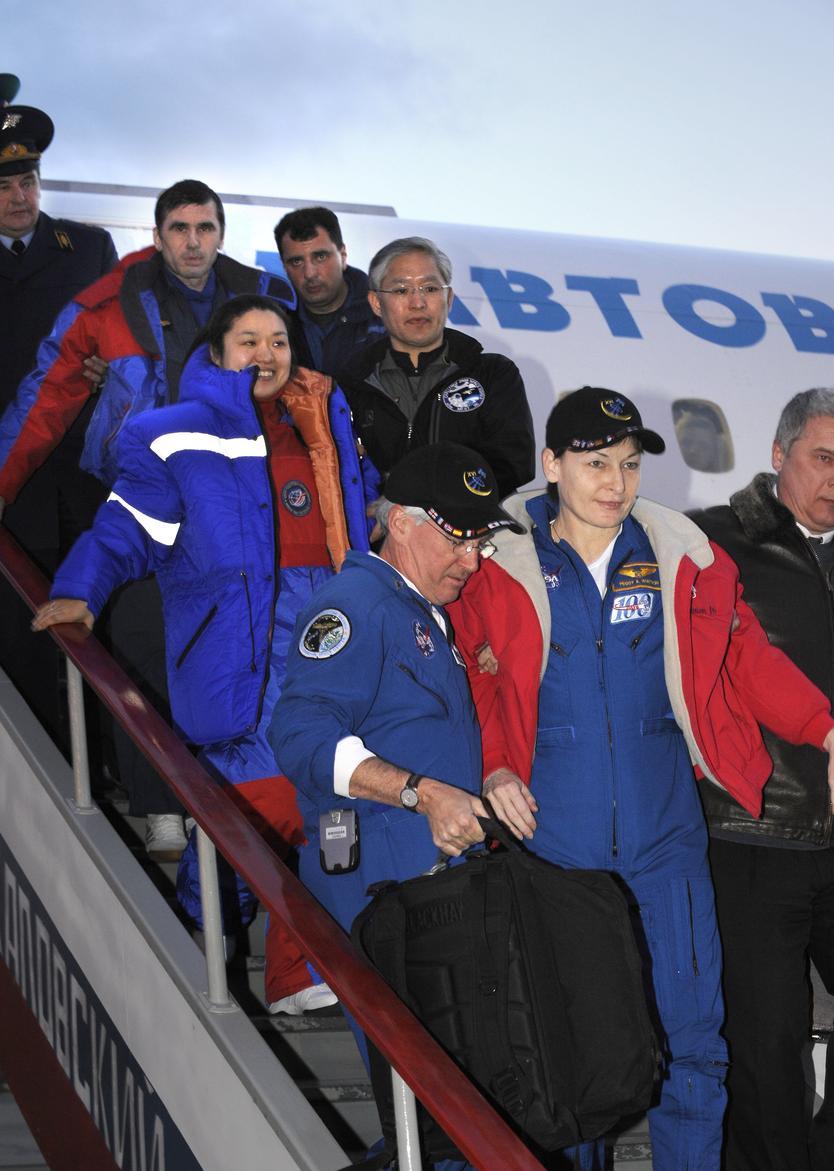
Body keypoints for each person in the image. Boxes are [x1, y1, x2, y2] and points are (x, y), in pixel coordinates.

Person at [445, 387, 834, 1171]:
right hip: (553, 842)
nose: (616, 482)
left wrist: (822, 726)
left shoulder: (681, 555)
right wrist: (496, 765)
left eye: (628, 463)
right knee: (563, 1053)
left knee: (699, 1043)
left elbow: (745, 658)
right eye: (595, 463)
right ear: (551, 466)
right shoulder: (496, 564)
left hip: (667, 835)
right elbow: (476, 685)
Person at [32, 295, 371, 1015]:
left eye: (279, 339)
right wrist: (78, 590)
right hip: (235, 653)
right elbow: (124, 529)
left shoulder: (327, 426)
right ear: (216, 354)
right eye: (248, 340)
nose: (267, 353)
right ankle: (199, 934)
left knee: (328, 808)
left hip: (329, 647)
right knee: (252, 810)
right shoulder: (173, 435)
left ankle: (292, 969)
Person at [267, 442, 540, 1171]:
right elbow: (300, 733)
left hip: (431, 902)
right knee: (479, 1118)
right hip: (387, 903)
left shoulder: (420, 611)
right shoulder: (359, 604)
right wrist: (420, 792)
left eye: (481, 542)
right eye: (457, 537)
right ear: (401, 521)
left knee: (470, 1120)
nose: (471, 558)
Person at [1, 178, 295, 858]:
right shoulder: (109, 305)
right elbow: (46, 395)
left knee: (247, 653)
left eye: (205, 228)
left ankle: (239, 802)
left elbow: (304, 394)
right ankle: (162, 806)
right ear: (156, 235)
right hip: (149, 494)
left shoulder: (264, 297)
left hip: (241, 505)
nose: (192, 242)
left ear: (220, 233)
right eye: (179, 229)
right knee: (138, 650)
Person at [691, 387, 834, 1171]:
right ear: (781, 452)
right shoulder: (716, 540)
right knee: (763, 1054)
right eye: (823, 457)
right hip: (748, 836)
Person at [0, 92, 116, 742]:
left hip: (83, 476)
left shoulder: (88, 249)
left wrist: (114, 371)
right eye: (7, 186)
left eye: (29, 180)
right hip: (14, 486)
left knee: (98, 622)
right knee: (25, 639)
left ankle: (102, 762)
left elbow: (127, 346)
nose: (20, 197)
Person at [340, 236, 535, 498]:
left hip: (475, 531)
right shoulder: (348, 385)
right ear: (376, 303)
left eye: (430, 289)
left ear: (449, 298)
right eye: (401, 290)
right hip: (382, 535)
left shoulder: (493, 375)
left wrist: (423, 503)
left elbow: (514, 463)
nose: (418, 303)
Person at [274, 205, 384, 381]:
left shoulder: (384, 314)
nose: (309, 273)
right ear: (284, 266)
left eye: (320, 257)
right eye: (296, 261)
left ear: (343, 255)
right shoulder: (273, 322)